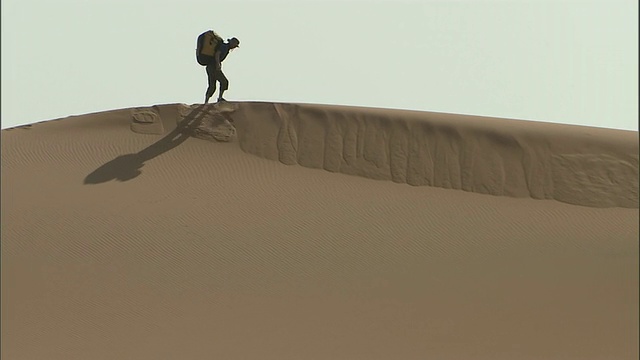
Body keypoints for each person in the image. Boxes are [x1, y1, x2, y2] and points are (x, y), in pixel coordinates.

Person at [205, 37, 240, 103]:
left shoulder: (226, 48)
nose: (234, 47)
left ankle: (206, 102)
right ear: (232, 43)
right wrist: (218, 64)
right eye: (235, 45)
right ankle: (220, 98)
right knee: (224, 81)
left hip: (210, 67)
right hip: (213, 67)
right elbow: (217, 54)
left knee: (212, 85)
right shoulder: (224, 47)